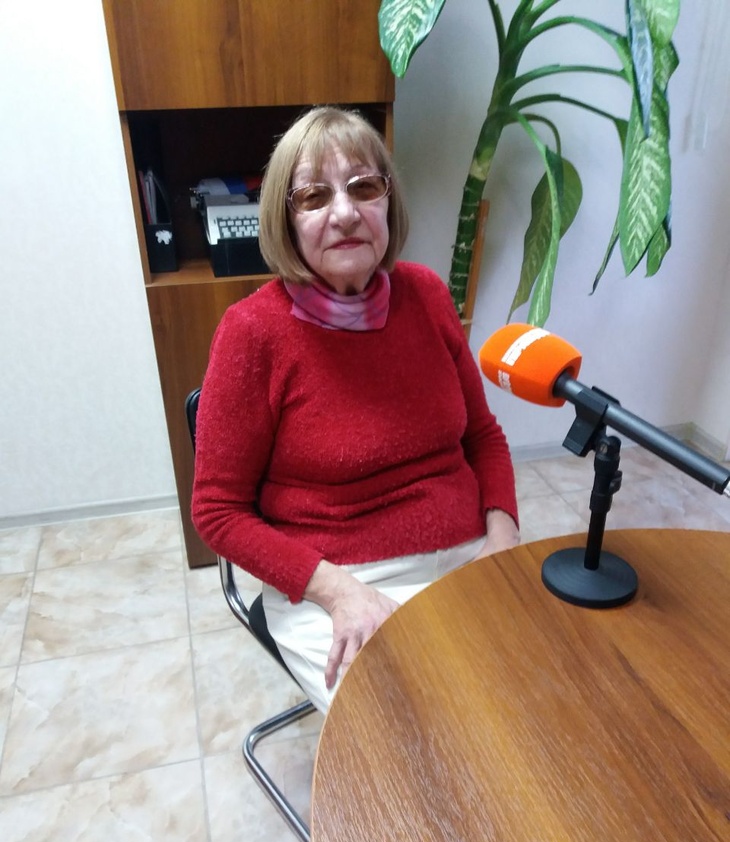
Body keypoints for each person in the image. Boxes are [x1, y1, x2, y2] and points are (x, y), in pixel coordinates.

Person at [192, 106, 519, 713]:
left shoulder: (427, 295)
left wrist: (503, 535)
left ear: (387, 204)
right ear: (286, 221)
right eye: (314, 197)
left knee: (544, 694)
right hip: (336, 581)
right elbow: (217, 512)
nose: (344, 213)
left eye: (364, 187)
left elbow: (483, 435)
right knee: (420, 730)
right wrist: (340, 592)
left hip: (470, 555)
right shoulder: (252, 334)